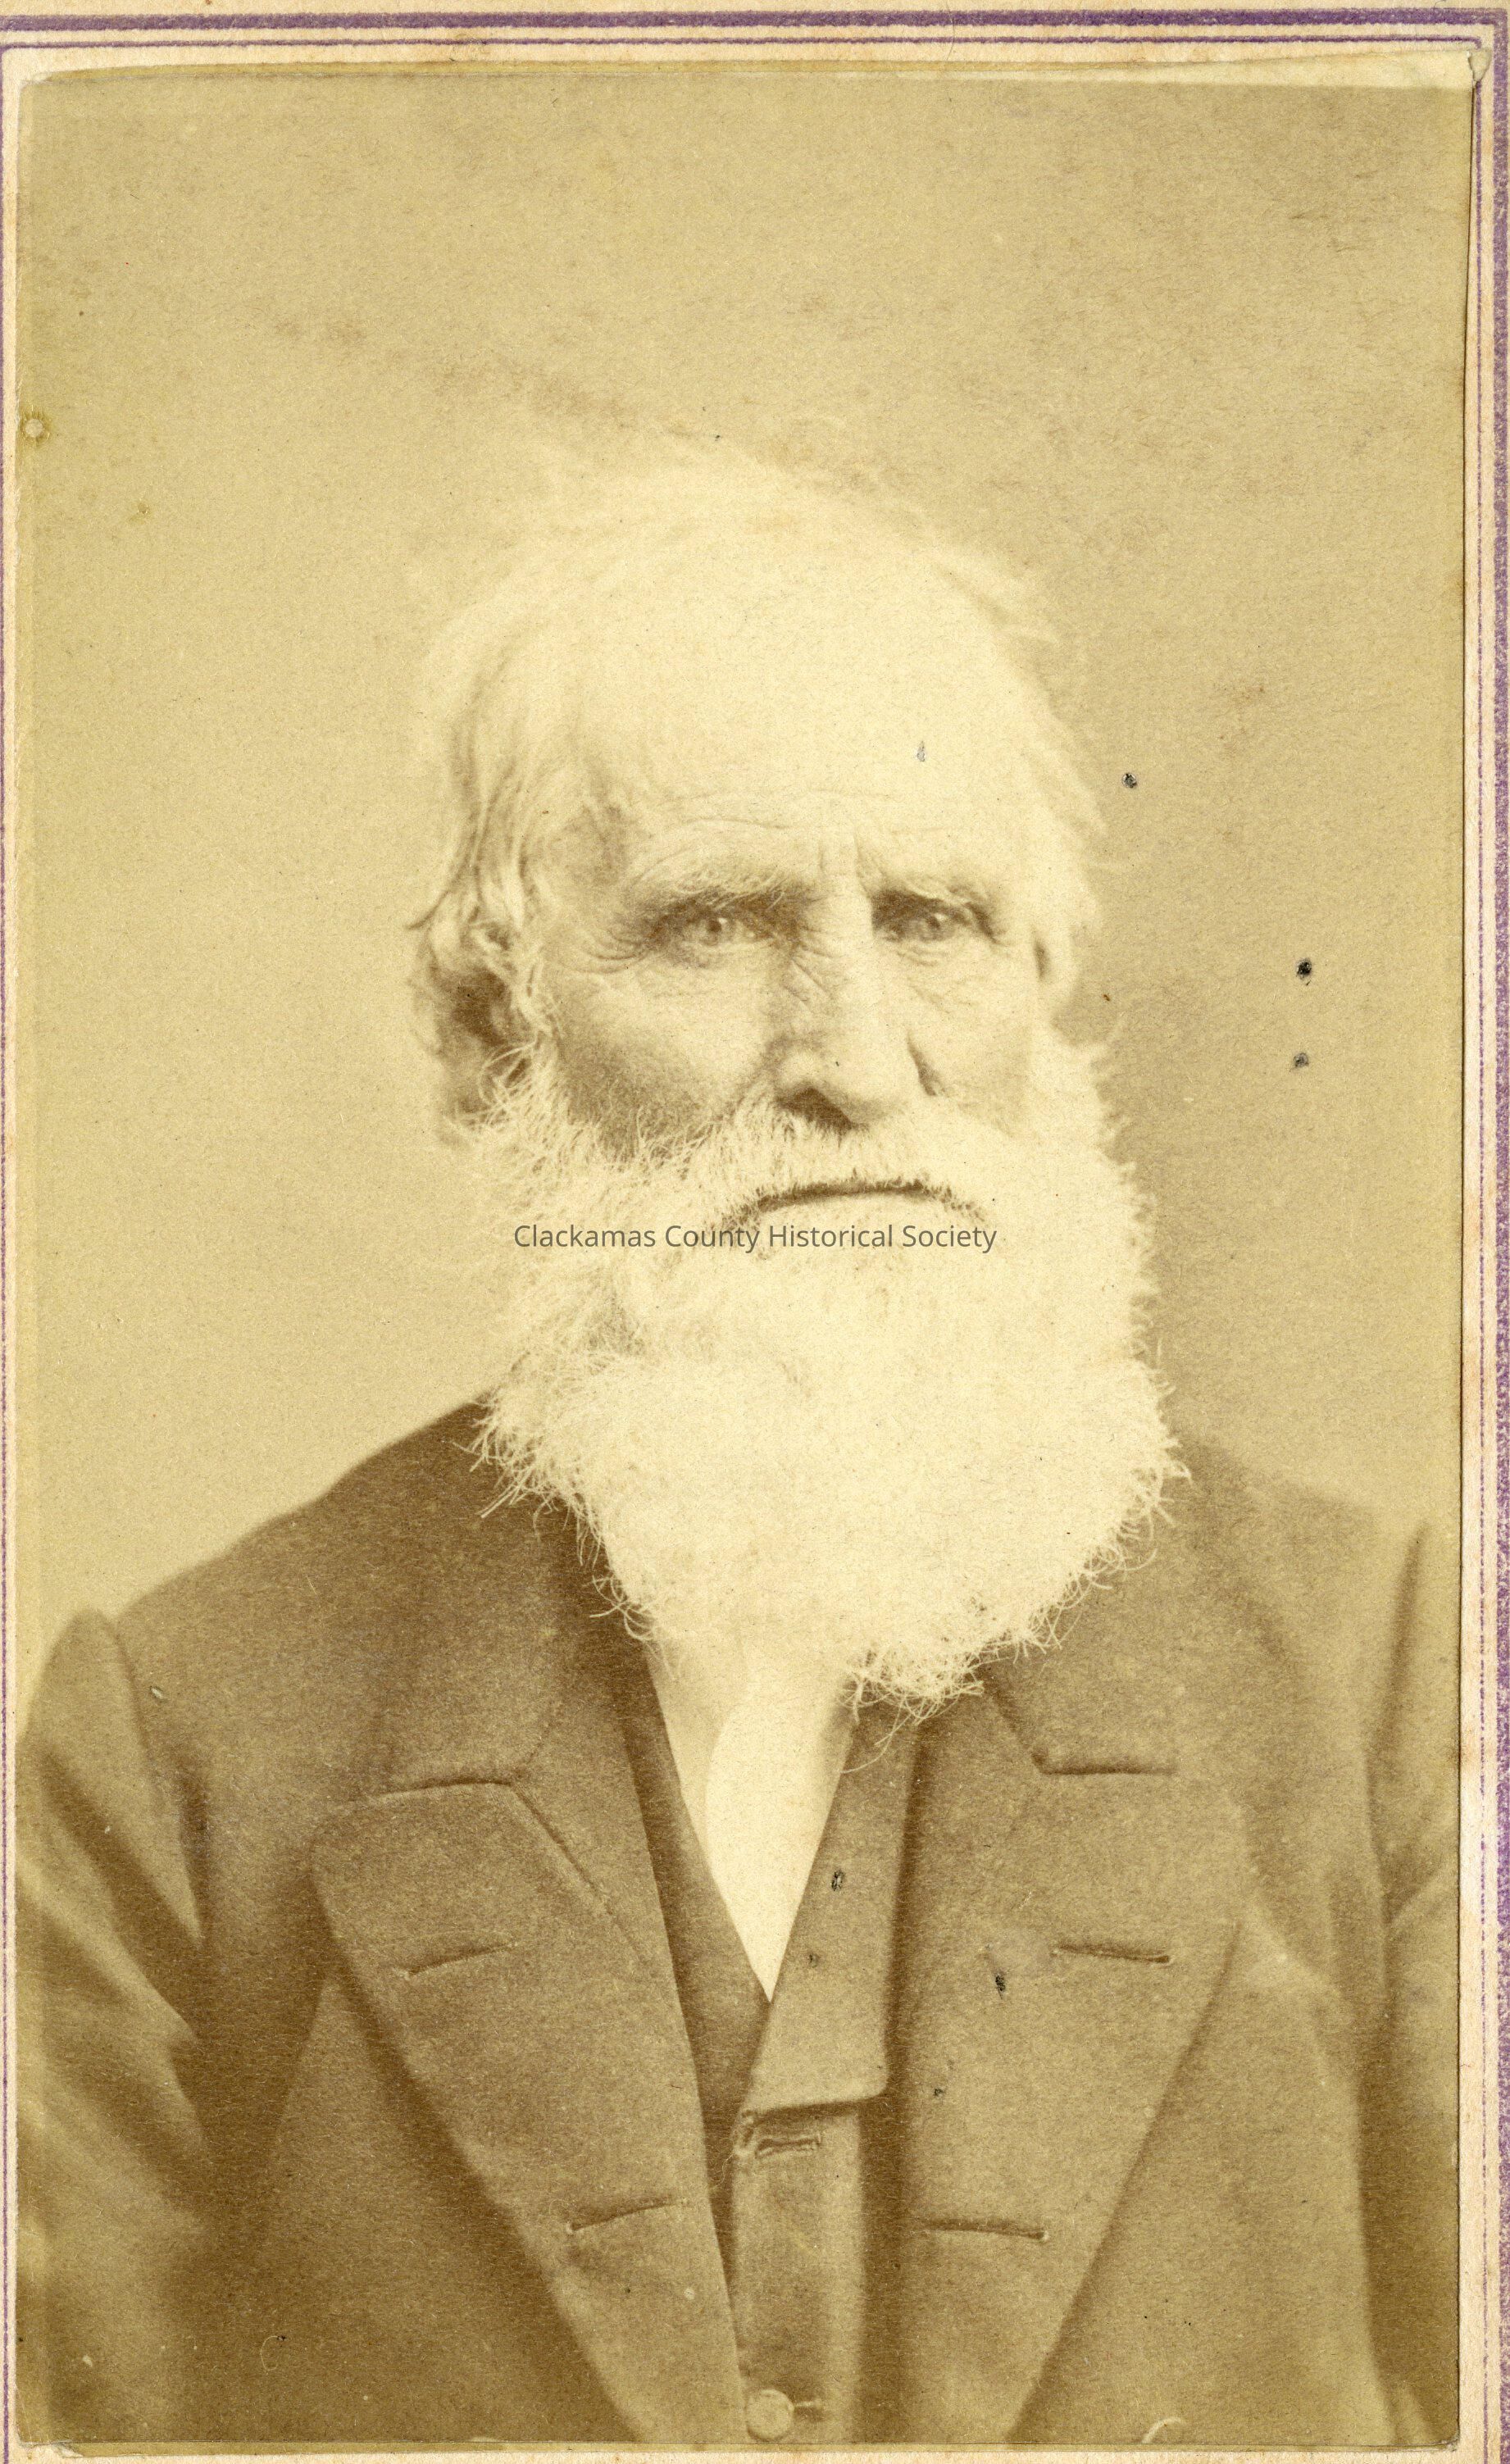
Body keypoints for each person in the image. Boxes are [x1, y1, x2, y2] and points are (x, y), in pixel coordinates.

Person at [17, 452, 1457, 2449]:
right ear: (490, 1033)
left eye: (934, 919)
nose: (857, 1061)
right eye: (714, 924)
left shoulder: (1395, 1686)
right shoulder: (177, 1748)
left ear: (1046, 995)